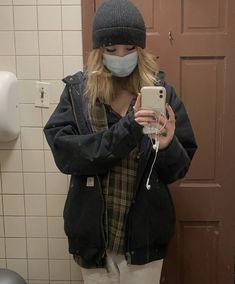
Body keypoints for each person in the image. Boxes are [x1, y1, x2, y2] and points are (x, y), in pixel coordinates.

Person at [44, 0, 197, 283]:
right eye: (111, 50)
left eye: (129, 49)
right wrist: (129, 127)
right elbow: (67, 156)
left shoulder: (161, 93)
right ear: (98, 52)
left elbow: (178, 170)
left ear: (140, 50)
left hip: (145, 236)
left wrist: (167, 147)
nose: (121, 56)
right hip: (92, 237)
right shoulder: (79, 93)